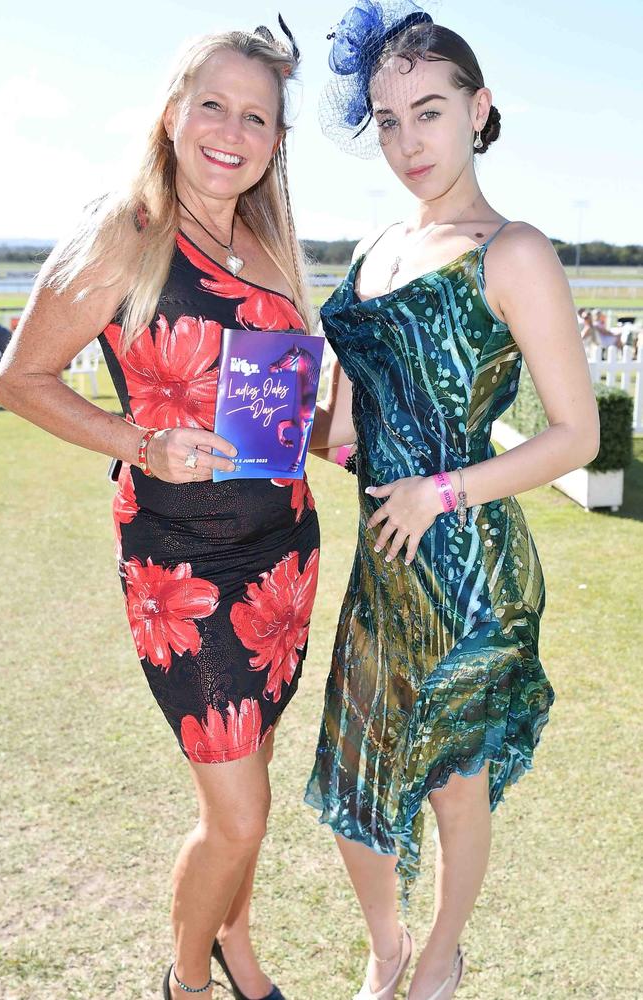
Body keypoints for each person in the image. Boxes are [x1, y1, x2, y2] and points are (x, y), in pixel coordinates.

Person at [0, 21, 319, 1000]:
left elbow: (281, 394)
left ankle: (238, 947)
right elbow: (21, 378)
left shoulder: (266, 238)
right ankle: (186, 980)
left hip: (282, 552)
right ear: (172, 114)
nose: (232, 128)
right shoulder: (125, 230)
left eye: (255, 114)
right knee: (239, 816)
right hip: (182, 565)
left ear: (275, 138)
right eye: (212, 104)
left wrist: (335, 426)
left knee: (248, 794)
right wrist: (140, 442)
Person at [306, 3, 599, 999]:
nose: (406, 142)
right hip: (379, 560)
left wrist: (441, 489)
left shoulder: (511, 251)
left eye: (427, 112)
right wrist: (268, 421)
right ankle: (384, 946)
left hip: (467, 557)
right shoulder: (371, 250)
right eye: (386, 120)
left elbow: (576, 434)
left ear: (478, 110)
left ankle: (436, 959)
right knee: (353, 775)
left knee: (450, 782)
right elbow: (341, 428)